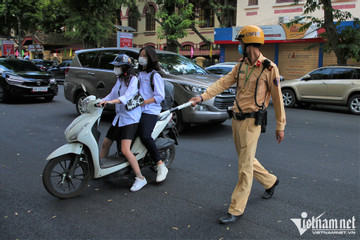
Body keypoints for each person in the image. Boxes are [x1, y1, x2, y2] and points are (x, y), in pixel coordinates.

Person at [189, 25, 286, 224]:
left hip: (252, 122)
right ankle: (271, 181)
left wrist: (280, 125)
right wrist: (202, 96)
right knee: (246, 159)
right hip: (236, 119)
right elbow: (223, 83)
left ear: (249, 43)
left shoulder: (269, 68)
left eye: (241, 42)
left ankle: (236, 208)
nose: (239, 46)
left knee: (244, 167)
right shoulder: (240, 65)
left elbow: (278, 98)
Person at [99, 54, 147, 192]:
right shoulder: (120, 80)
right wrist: (100, 100)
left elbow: (127, 97)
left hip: (130, 119)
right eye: (115, 66)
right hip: (120, 117)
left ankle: (140, 178)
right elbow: (112, 94)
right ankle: (102, 170)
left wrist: (110, 102)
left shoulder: (133, 79)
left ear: (125, 67)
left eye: (118, 66)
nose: (116, 68)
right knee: (105, 144)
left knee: (125, 150)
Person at [137, 46, 168, 183]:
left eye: (144, 56)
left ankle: (160, 164)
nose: (141, 58)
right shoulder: (139, 74)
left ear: (150, 58)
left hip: (150, 110)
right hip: (136, 110)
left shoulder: (155, 75)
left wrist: (144, 102)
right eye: (140, 55)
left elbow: (160, 96)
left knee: (145, 136)